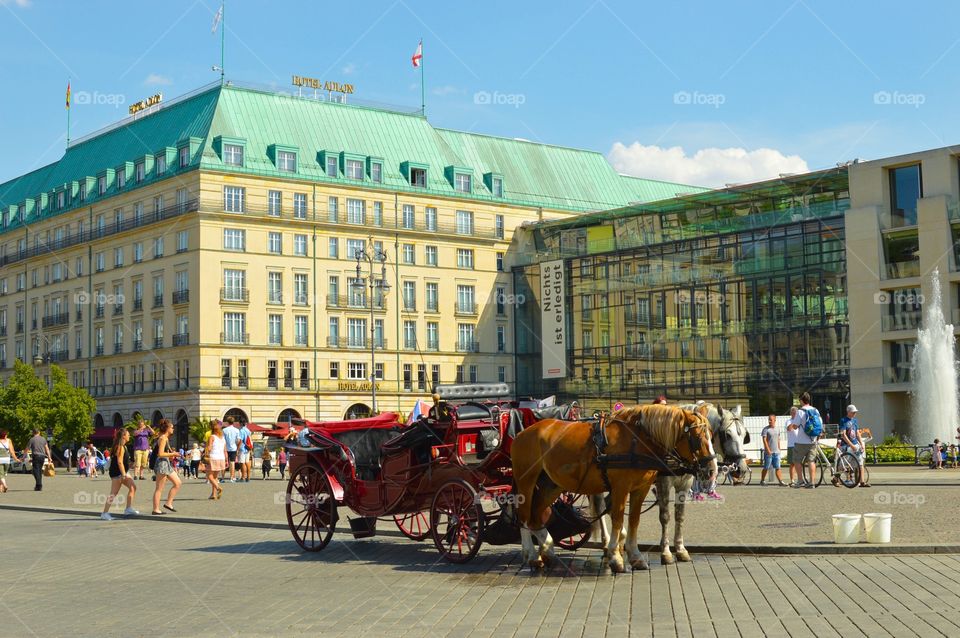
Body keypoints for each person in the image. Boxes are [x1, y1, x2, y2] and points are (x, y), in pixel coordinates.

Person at [101, 428, 138, 520]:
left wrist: (131, 464)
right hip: (118, 473)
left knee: (133, 487)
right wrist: (124, 474)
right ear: (124, 436)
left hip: (122, 472)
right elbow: (119, 462)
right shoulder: (120, 447)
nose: (129, 436)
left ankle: (128, 509)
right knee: (113, 493)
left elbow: (124, 462)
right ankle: (104, 513)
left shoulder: (123, 446)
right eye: (128, 434)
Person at [151, 420, 182, 515]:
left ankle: (168, 503)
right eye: (172, 427)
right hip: (162, 464)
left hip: (166, 463)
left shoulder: (165, 438)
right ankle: (155, 509)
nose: (173, 429)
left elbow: (164, 453)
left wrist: (171, 455)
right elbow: (160, 454)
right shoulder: (163, 438)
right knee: (159, 488)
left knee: (178, 483)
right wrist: (173, 453)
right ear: (167, 428)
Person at [838, 404, 871, 487]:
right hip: (846, 445)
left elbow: (857, 433)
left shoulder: (855, 421)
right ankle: (836, 478)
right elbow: (843, 435)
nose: (854, 414)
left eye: (855, 412)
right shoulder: (843, 420)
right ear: (848, 412)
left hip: (855, 444)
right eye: (853, 412)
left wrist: (860, 443)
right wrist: (851, 445)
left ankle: (862, 482)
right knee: (844, 465)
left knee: (860, 462)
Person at [792, 393, 820, 489]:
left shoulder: (800, 411)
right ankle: (812, 482)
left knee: (797, 460)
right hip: (813, 440)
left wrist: (796, 425)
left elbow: (795, 426)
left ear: (801, 400)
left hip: (801, 441)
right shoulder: (816, 410)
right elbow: (820, 424)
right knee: (811, 461)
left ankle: (800, 481)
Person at [760, 414, 785, 486]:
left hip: (776, 452)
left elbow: (778, 439)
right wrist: (768, 450)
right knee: (766, 467)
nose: (770, 421)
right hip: (769, 452)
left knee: (778, 467)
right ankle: (762, 480)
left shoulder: (777, 429)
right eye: (769, 420)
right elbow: (764, 440)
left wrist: (779, 449)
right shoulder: (766, 429)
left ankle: (781, 481)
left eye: (771, 420)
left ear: (775, 420)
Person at [206, 421, 226, 500]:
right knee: (215, 477)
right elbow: (225, 449)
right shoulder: (222, 438)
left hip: (213, 457)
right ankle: (213, 494)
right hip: (221, 458)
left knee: (209, 476)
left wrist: (207, 448)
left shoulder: (212, 437)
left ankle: (218, 488)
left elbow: (210, 448)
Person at [222, 418, 241, 482]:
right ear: (233, 422)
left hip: (226, 448)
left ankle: (222, 478)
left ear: (227, 422)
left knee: (224, 462)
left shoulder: (224, 430)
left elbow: (223, 440)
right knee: (232, 463)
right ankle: (232, 478)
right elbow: (238, 440)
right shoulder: (237, 430)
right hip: (233, 448)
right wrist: (236, 445)